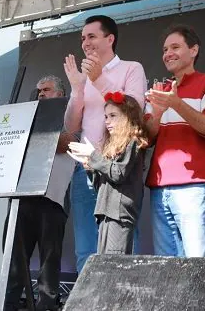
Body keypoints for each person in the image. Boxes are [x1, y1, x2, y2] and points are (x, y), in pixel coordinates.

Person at [63, 15, 148, 272]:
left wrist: (99, 78)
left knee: (121, 248)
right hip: (85, 168)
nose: (85, 43)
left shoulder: (132, 68)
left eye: (91, 36)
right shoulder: (84, 77)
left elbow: (134, 111)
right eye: (82, 39)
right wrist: (78, 88)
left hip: (117, 169)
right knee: (86, 249)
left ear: (110, 39)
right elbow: (71, 126)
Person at [144, 24, 205, 258]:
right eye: (164, 49)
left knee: (197, 268)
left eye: (175, 47)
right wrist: (159, 113)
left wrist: (176, 103)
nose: (167, 53)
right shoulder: (159, 90)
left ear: (193, 50)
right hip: (160, 188)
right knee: (166, 269)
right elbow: (147, 139)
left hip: (195, 186)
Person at [4, 76, 76, 311]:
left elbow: (66, 143)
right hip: (23, 196)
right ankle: (8, 306)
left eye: (46, 90)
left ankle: (46, 306)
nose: (41, 94)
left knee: (49, 261)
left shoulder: (71, 114)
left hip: (52, 199)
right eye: (38, 91)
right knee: (15, 261)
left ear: (61, 93)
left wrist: (32, 129)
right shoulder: (28, 116)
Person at [68, 92, 147, 255]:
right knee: (104, 262)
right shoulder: (112, 146)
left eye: (113, 115)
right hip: (106, 212)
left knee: (114, 265)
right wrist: (90, 167)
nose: (107, 121)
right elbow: (103, 184)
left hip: (120, 214)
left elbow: (118, 173)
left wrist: (92, 155)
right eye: (106, 116)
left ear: (127, 116)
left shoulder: (133, 142)